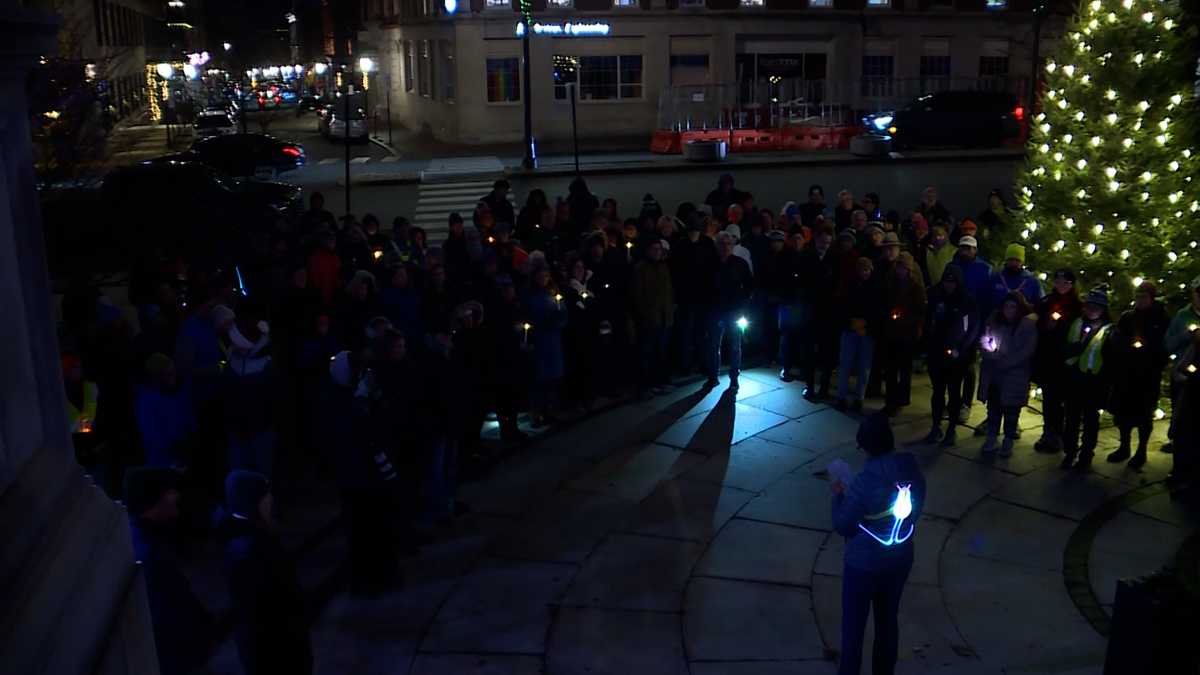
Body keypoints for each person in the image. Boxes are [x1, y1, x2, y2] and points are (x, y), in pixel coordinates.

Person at [831, 412, 926, 675]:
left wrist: (838, 495)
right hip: (900, 557)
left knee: (853, 629)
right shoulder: (911, 470)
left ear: (864, 446)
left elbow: (842, 524)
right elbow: (915, 510)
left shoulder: (865, 481)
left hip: (863, 563)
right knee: (887, 622)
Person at [125, 467, 217, 675]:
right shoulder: (149, 555)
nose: (176, 495)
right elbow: (169, 613)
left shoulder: (146, 536)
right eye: (169, 490)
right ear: (154, 499)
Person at [218, 470, 312, 675]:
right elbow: (270, 604)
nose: (271, 499)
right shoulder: (252, 548)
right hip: (275, 645)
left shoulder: (240, 538)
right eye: (265, 495)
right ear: (253, 502)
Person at [1107, 282, 1170, 468]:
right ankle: (1124, 446)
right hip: (1126, 373)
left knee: (1144, 415)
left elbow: (1164, 346)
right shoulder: (1128, 317)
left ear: (1151, 298)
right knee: (1122, 413)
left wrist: (1149, 353)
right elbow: (1117, 338)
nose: (1140, 300)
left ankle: (1141, 450)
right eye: (1137, 297)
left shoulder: (1161, 319)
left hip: (1147, 376)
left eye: (1144, 297)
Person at [977, 292, 1039, 456]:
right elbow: (985, 340)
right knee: (993, 409)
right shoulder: (994, 322)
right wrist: (990, 354)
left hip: (1015, 376)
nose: (1009, 310)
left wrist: (1008, 362)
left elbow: (1027, 349)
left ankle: (1008, 440)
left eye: (1013, 307)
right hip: (994, 374)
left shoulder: (1026, 326)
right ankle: (991, 438)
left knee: (1011, 412)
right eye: (1006, 306)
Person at [1061, 287, 1116, 470]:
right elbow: (1065, 348)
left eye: (1097, 307)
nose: (1092, 310)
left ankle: (1086, 455)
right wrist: (1078, 346)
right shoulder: (1076, 323)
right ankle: (1069, 452)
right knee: (1071, 418)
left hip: (1094, 382)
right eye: (1089, 306)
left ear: (1103, 310)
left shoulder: (1109, 331)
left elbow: (1110, 359)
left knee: (1091, 421)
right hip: (1074, 378)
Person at [923, 266, 979, 445]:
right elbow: (928, 320)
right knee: (938, 392)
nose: (949, 285)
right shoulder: (936, 296)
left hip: (957, 355)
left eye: (952, 281)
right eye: (946, 281)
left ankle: (951, 430)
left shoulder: (967, 300)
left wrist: (960, 349)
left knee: (954, 393)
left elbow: (972, 328)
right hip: (936, 352)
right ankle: (936, 427)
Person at [1032, 270, 1083, 453]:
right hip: (1047, 358)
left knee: (1064, 402)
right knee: (1049, 400)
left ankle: (1063, 436)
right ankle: (1049, 433)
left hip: (1067, 361)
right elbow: (1036, 325)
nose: (1061, 285)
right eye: (1058, 281)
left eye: (1066, 282)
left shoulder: (1078, 306)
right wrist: (1047, 326)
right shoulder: (1046, 302)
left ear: (1072, 284)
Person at [880, 252, 927, 415]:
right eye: (899, 267)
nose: (901, 270)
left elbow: (920, 311)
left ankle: (902, 398)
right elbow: (884, 303)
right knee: (891, 368)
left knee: (904, 368)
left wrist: (905, 318)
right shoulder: (890, 283)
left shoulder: (916, 287)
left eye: (904, 267)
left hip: (907, 334)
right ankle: (891, 400)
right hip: (891, 333)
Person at [707, 232, 754, 391]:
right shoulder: (710, 263)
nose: (726, 247)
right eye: (722, 244)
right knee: (714, 345)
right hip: (715, 310)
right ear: (717, 246)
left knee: (735, 345)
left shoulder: (740, 264)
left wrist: (743, 306)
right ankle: (713, 376)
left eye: (729, 244)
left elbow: (749, 286)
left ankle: (734, 378)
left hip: (734, 310)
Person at [135, 353, 198, 469]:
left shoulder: (181, 394)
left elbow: (190, 423)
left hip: (186, 457)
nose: (172, 377)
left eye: (173, 373)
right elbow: (153, 436)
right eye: (167, 374)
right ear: (155, 377)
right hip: (161, 463)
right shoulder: (146, 402)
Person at [630, 238, 675, 397]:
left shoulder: (663, 267)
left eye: (659, 249)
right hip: (649, 319)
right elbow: (637, 295)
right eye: (654, 249)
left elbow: (668, 291)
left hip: (664, 317)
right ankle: (645, 386)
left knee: (660, 352)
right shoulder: (640, 269)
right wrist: (644, 314)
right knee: (646, 353)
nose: (657, 252)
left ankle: (659, 382)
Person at [836, 257, 883, 411]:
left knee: (864, 366)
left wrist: (866, 325)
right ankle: (841, 396)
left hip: (866, 331)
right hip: (851, 328)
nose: (864, 273)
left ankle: (859, 397)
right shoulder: (850, 285)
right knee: (846, 364)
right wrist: (851, 322)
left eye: (867, 270)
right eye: (862, 270)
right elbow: (843, 306)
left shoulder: (875, 286)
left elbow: (878, 309)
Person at [798, 227, 838, 400]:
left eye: (828, 242)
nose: (825, 245)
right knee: (809, 350)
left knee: (826, 351)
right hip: (811, 308)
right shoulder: (807, 256)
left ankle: (824, 386)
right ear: (816, 240)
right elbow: (802, 281)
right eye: (822, 242)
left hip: (827, 310)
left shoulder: (833, 258)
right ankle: (809, 385)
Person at [1162, 274, 1200, 455]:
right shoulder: (1182, 316)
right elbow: (1167, 344)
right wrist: (1185, 336)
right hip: (1182, 376)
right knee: (1181, 419)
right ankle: (1179, 458)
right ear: (1193, 293)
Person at [987, 244, 1042, 310]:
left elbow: (1040, 306)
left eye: (1017, 260)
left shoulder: (1032, 282)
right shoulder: (996, 278)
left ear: (1022, 262)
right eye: (1011, 260)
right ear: (1006, 260)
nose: (1014, 263)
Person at [923, 225, 955, 290]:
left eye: (940, 235)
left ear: (946, 235)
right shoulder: (928, 252)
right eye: (935, 235)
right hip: (933, 289)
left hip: (949, 289)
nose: (937, 238)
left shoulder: (954, 251)